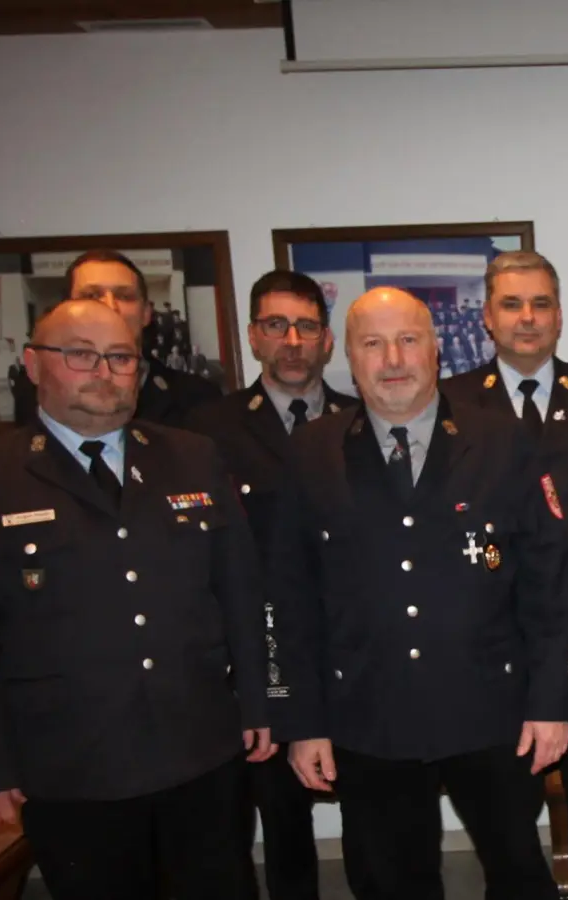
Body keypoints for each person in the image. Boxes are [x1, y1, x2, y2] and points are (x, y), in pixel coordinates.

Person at [0, 299, 271, 900]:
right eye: (80, 354)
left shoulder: (191, 457)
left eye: (121, 357)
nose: (104, 371)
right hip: (71, 765)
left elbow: (241, 594)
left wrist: (258, 703)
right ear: (33, 364)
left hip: (199, 749)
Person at [267, 288, 568, 900]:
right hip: (367, 713)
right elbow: (290, 596)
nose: (393, 359)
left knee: (519, 873)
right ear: (345, 355)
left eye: (408, 339)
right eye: (372, 344)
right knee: (387, 882)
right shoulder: (312, 451)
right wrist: (301, 720)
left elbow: (548, 584)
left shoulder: (502, 441)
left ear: (437, 349)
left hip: (491, 708)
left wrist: (551, 702)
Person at [444, 251, 568, 900]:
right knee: (507, 819)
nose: (527, 318)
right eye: (512, 304)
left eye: (541, 304)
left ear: (559, 316)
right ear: (488, 318)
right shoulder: (454, 399)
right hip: (496, 646)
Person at [186, 270, 357, 900]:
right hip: (251, 656)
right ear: (254, 337)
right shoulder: (207, 432)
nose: (292, 340)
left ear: (327, 341)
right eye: (276, 325)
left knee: (365, 812)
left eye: (306, 326)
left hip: (344, 651)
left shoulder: (360, 421)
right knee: (271, 815)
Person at [13, 250, 222, 427]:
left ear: (146, 313)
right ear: (65, 310)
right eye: (92, 296)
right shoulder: (36, 390)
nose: (110, 307)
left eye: (124, 296)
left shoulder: (196, 397)